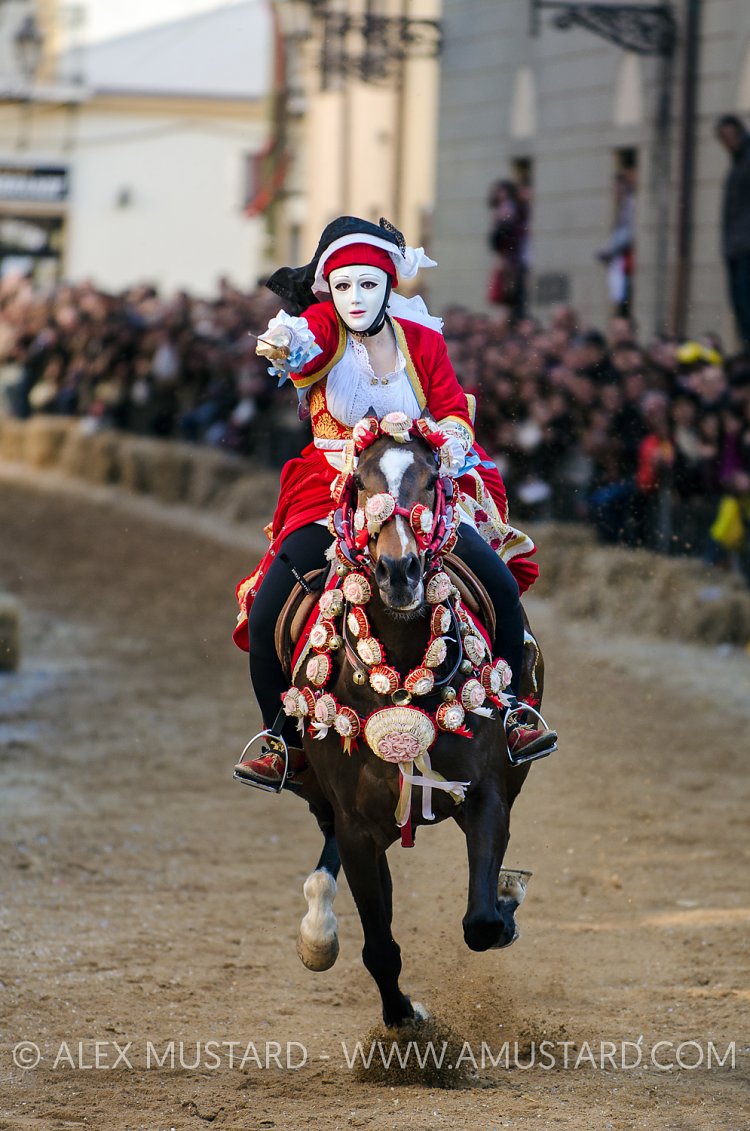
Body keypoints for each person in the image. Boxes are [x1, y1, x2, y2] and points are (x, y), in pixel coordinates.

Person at [232, 216, 556, 785]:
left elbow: (453, 407)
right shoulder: (323, 328)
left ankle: (511, 713)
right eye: (342, 285)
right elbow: (305, 347)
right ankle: (278, 738)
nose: (354, 297)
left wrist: (451, 442)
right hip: (334, 484)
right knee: (267, 612)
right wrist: (288, 342)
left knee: (499, 586)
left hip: (414, 483)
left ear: (388, 285)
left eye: (367, 284)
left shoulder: (423, 340)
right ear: (328, 291)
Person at [716, 114, 750, 349]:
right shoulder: (738, 162)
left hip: (744, 245)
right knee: (739, 305)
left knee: (744, 303)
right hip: (736, 246)